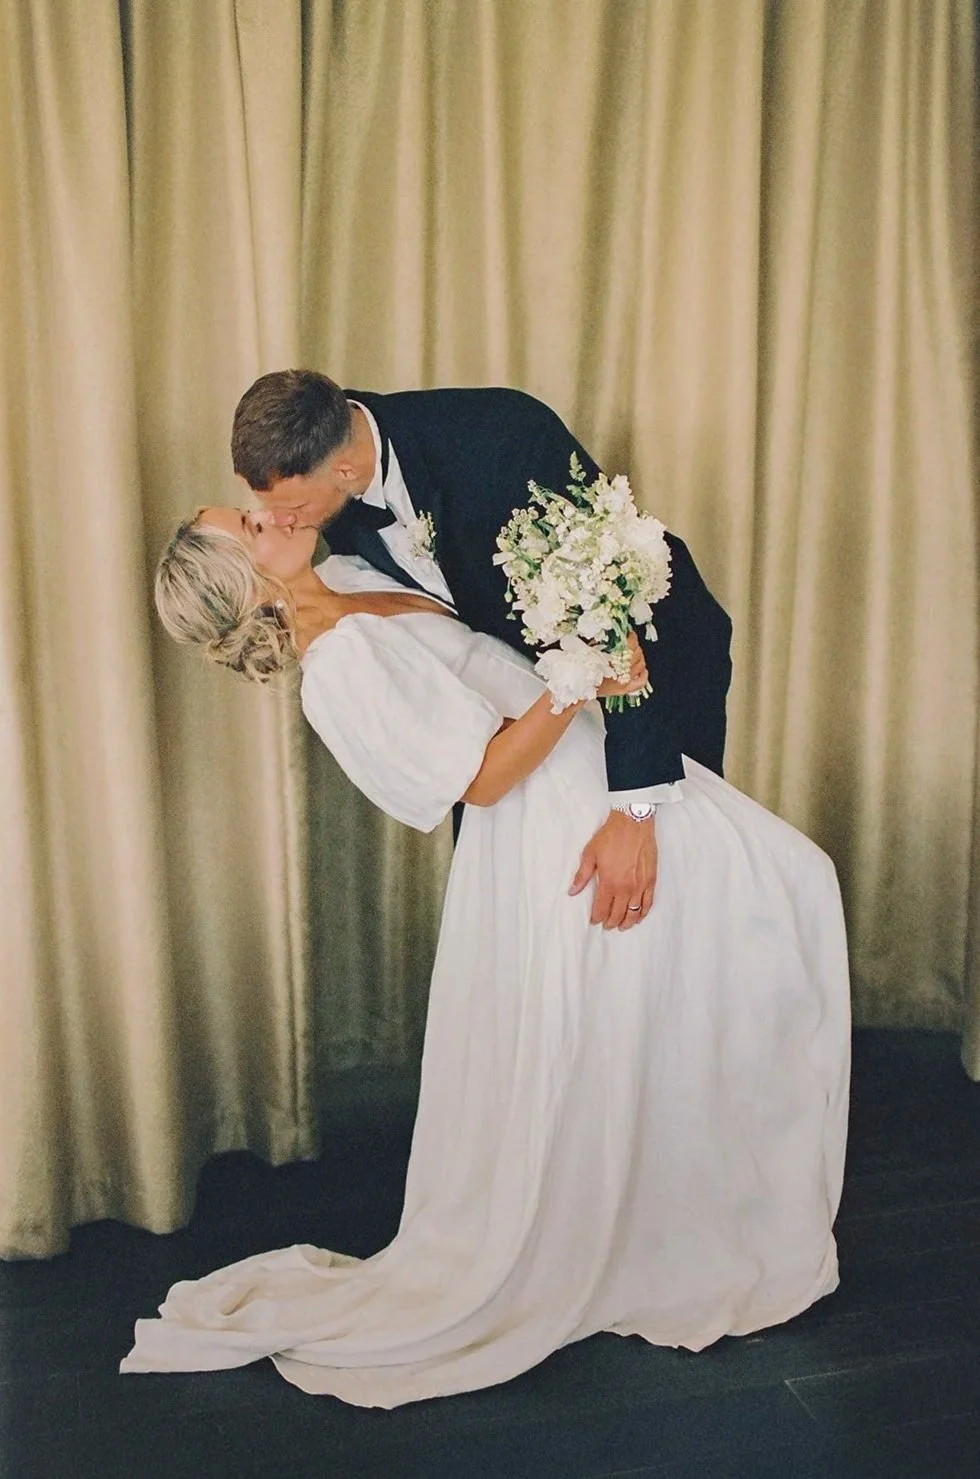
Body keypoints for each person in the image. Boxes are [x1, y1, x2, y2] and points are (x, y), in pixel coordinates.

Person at [122, 505, 851, 1409]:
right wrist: (581, 674)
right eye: (247, 524)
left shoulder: (346, 574)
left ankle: (698, 1198)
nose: (268, 509)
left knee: (742, 927)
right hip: (548, 814)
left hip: (587, 762)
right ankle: (684, 1218)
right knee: (769, 902)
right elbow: (482, 776)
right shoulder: (336, 671)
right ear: (244, 579)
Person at [228, 371, 735, 929]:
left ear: (345, 469)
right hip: (535, 730)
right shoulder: (330, 488)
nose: (280, 521)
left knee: (679, 890)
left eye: (290, 506)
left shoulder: (499, 439)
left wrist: (635, 809)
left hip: (654, 668)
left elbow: (612, 608)